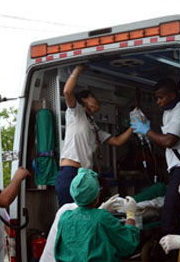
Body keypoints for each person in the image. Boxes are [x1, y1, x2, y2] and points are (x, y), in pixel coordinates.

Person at [55, 64, 134, 206]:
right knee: (69, 216)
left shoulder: (93, 126)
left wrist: (136, 126)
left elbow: (117, 141)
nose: (96, 100)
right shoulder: (76, 113)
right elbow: (67, 92)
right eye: (92, 96)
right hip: (70, 173)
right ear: (84, 100)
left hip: (85, 176)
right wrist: (77, 70)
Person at [130, 78, 180, 237]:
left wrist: (146, 131)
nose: (158, 102)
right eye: (156, 98)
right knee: (172, 209)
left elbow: (169, 141)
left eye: (161, 97)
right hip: (175, 168)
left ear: (172, 95)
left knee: (169, 213)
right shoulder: (168, 113)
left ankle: (171, 253)